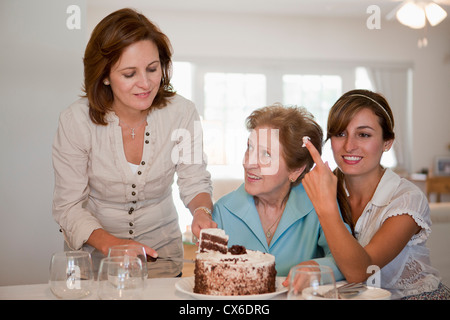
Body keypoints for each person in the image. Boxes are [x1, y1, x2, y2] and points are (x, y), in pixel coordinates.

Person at [52, 8, 216, 278]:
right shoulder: (75, 121)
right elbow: (68, 206)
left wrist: (201, 212)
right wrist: (112, 245)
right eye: (129, 74)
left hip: (161, 259)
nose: (146, 83)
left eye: (153, 69)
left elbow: (194, 179)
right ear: (104, 76)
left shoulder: (182, 113)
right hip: (95, 265)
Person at [302, 89, 450, 299]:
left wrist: (326, 208)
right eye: (340, 134)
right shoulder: (323, 187)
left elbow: (360, 271)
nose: (349, 146)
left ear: (387, 143)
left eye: (363, 135)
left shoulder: (407, 199)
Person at [212, 104, 345, 279]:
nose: (248, 163)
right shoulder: (222, 211)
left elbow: (345, 261)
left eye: (266, 154)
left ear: (295, 170)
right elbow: (209, 272)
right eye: (249, 148)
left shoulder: (318, 205)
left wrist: (315, 270)